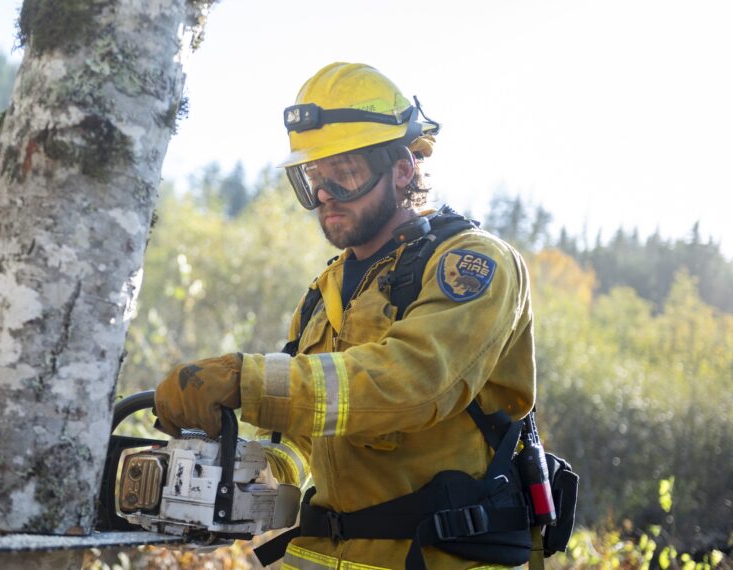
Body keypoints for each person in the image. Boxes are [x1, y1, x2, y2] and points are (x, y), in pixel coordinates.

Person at [155, 62, 536, 570]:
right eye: (314, 177)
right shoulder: (324, 292)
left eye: (347, 173)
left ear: (402, 171)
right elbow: (306, 438)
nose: (326, 194)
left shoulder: (472, 263)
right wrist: (240, 477)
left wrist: (245, 382)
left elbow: (413, 383)